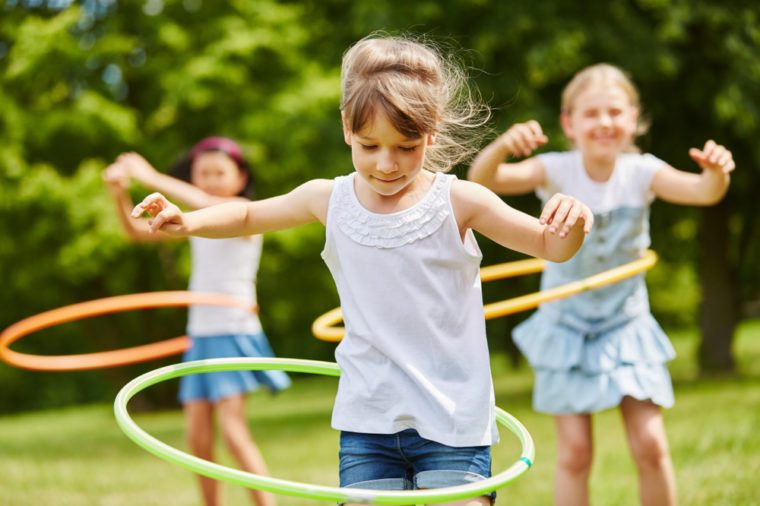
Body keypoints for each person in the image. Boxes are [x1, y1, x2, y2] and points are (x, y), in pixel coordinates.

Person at [130, 34, 593, 506]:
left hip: (453, 420)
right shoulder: (328, 199)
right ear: (347, 128)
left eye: (406, 147)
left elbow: (549, 246)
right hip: (368, 421)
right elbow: (248, 215)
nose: (387, 163)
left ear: (430, 132)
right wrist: (187, 221)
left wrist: (572, 219)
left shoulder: (459, 201)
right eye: (370, 145)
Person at [468, 63, 734, 506]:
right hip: (566, 325)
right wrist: (500, 148)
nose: (605, 122)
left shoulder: (642, 172)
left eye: (615, 111)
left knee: (650, 445)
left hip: (625, 325)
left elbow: (705, 192)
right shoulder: (554, 169)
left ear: (634, 120)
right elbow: (483, 182)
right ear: (569, 123)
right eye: (591, 113)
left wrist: (718, 171)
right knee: (574, 453)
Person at [104, 136, 290, 506]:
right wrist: (119, 194)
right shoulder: (194, 221)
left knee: (234, 432)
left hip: (231, 329)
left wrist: (151, 176)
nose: (209, 179)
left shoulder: (241, 212)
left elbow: (207, 203)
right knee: (198, 440)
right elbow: (137, 233)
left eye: (219, 172)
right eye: (202, 173)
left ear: (240, 179)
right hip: (199, 335)